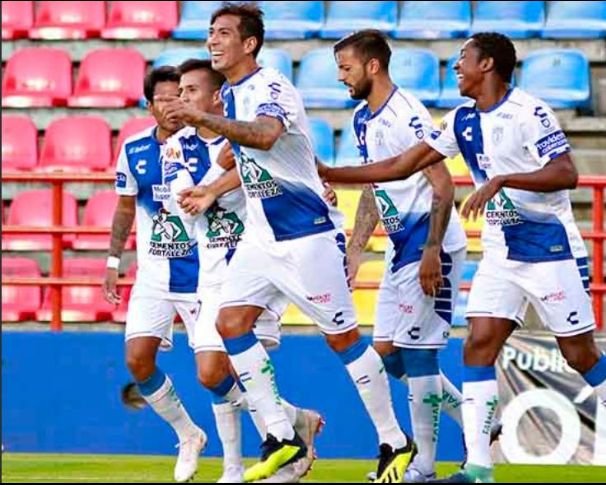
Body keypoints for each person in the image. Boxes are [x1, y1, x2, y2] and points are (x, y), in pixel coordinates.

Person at [319, 32, 606, 484]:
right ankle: (479, 467)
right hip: (502, 253)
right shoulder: (461, 118)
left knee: (578, 353)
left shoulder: (529, 112)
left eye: (463, 60)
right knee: (477, 346)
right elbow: (402, 165)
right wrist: (331, 172)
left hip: (549, 249)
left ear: (488, 65)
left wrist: (502, 179)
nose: (456, 68)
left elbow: (567, 173)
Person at [160, 4, 416, 482]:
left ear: (249, 44)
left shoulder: (271, 85)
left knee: (343, 340)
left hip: (306, 235)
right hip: (260, 237)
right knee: (231, 323)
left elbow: (265, 135)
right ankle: (281, 436)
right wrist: (211, 185)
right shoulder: (233, 94)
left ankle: (395, 441)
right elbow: (237, 154)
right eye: (210, 33)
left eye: (223, 33)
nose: (212, 41)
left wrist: (201, 117)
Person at [160, 58, 324, 483]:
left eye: (190, 92)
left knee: (243, 367)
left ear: (217, 97)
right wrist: (220, 177)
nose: (182, 100)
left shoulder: (250, 136)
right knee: (212, 373)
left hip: (260, 263)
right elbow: (189, 201)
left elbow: (280, 170)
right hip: (212, 266)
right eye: (179, 93)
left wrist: (225, 177)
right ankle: (294, 422)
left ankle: (261, 461)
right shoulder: (176, 146)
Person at [331, 30, 467, 483]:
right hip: (399, 244)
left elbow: (444, 185)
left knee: (417, 352)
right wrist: (355, 251)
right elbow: (374, 186)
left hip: (429, 241)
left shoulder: (406, 116)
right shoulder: (362, 119)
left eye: (346, 68)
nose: (340, 77)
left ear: (373, 66)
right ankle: (476, 421)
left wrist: (432, 251)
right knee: (388, 354)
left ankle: (424, 467)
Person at [102, 66, 206, 483]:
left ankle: (287, 425)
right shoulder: (134, 149)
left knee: (218, 373)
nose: (173, 105)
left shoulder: (208, 146)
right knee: (137, 359)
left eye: (180, 96)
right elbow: (126, 207)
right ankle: (188, 434)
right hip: (153, 275)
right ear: (150, 105)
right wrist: (113, 263)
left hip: (203, 274)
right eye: (164, 98)